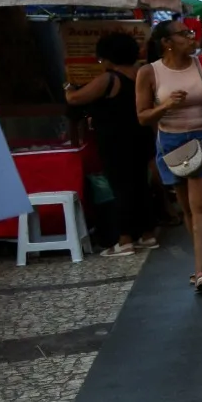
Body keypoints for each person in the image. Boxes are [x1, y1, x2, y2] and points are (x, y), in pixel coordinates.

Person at [137, 18, 202, 293]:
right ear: (166, 43)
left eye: (192, 33)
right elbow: (142, 116)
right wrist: (165, 105)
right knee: (189, 208)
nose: (192, 37)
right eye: (184, 34)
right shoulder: (149, 73)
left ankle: (201, 271)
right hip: (172, 143)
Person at [65, 32, 158, 256]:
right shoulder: (142, 75)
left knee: (121, 187)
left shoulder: (109, 79)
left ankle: (124, 240)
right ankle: (147, 235)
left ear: (107, 57)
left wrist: (67, 86)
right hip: (142, 136)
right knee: (140, 186)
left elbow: (75, 99)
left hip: (116, 141)